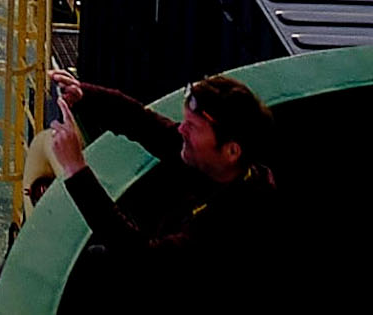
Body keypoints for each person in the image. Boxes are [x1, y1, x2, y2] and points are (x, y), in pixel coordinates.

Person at [36, 72, 290, 292]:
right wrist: (86, 95)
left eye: (192, 127)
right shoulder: (222, 168)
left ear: (231, 151)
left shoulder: (237, 221)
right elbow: (145, 125)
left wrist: (76, 169)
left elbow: (144, 260)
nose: (181, 130)